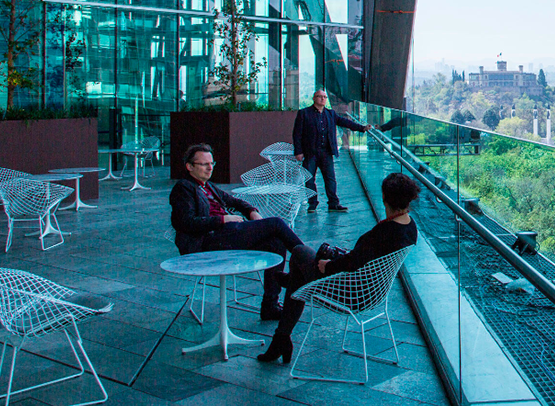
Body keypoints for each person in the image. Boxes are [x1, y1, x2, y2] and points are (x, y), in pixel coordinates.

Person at [257, 172, 421, 364]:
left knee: (300, 252)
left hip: (351, 292)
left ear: (385, 198)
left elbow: (353, 262)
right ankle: (291, 292)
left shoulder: (384, 232)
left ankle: (283, 329)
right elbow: (361, 258)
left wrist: (329, 266)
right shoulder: (410, 228)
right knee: (300, 271)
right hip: (372, 290)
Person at [169, 143, 305, 320]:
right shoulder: (184, 188)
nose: (210, 168)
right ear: (189, 166)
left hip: (226, 234)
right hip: (207, 242)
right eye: (204, 164)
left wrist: (251, 211)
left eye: (212, 163)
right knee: (276, 224)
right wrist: (223, 219)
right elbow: (186, 223)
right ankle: (308, 262)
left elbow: (234, 201)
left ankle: (270, 306)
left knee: (276, 243)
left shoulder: (207, 186)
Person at [293, 89, 371, 212]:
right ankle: (312, 204)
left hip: (326, 152)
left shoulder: (330, 114)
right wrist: (298, 151)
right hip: (310, 153)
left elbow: (345, 122)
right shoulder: (304, 113)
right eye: (319, 96)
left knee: (330, 179)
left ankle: (333, 204)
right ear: (314, 98)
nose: (322, 99)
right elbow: (297, 134)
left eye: (324, 97)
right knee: (309, 179)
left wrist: (362, 128)